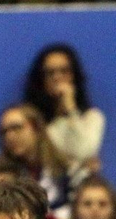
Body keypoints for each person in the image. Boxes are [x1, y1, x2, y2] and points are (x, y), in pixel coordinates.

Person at [24, 44, 104, 177]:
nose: (57, 77)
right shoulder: (34, 122)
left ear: (74, 76)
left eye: (64, 71)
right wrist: (75, 164)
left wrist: (70, 109)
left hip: (81, 186)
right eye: (50, 73)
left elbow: (84, 152)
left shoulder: (92, 117)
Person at [0, 103, 75, 219]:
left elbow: (80, 213)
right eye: (4, 132)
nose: (9, 136)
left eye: (16, 128)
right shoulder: (4, 178)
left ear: (36, 128)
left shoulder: (68, 169)